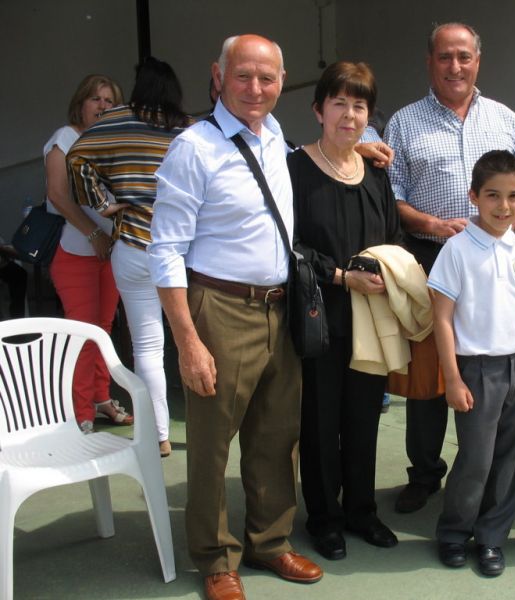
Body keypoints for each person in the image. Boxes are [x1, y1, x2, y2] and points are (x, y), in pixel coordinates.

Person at [148, 35, 323, 600]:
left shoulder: (275, 138)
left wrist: (365, 150)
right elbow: (165, 251)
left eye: (267, 78)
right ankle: (215, 557)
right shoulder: (193, 148)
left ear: (282, 80)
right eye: (243, 75)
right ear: (219, 76)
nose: (255, 88)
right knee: (211, 442)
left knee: (276, 435)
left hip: (279, 307)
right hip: (219, 308)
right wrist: (187, 341)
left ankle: (270, 541)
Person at [384, 21, 515, 514]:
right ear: (430, 62)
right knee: (430, 377)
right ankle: (425, 473)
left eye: (464, 56)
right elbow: (391, 197)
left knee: (490, 366)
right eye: (445, 57)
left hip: (497, 260)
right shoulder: (405, 122)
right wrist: (431, 222)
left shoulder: (506, 121)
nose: (455, 66)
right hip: (432, 257)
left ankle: (484, 474)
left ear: (477, 61)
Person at [289, 61, 402, 561]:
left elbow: (393, 235)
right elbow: (288, 245)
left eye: (360, 106)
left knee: (363, 418)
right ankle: (324, 518)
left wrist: (390, 275)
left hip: (371, 318)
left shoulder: (375, 173)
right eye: (339, 103)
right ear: (319, 110)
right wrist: (340, 276)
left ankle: (361, 510)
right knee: (319, 421)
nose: (349, 115)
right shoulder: (295, 170)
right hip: (320, 316)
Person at [430, 150, 515, 577]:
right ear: (473, 196)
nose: (504, 206)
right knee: (476, 458)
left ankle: (492, 537)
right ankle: (454, 532)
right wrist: (452, 377)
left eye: (514, 196)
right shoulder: (457, 250)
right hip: (477, 371)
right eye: (493, 195)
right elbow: (442, 318)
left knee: (508, 457)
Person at [67, 58, 191, 457]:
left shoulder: (115, 122)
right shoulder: (190, 130)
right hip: (182, 253)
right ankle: (206, 432)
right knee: (195, 342)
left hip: (134, 246)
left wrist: (103, 204)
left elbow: (76, 159)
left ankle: (159, 436)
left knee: (148, 348)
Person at [45, 74, 130, 433]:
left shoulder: (111, 142)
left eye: (110, 101)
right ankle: (79, 410)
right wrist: (94, 233)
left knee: (103, 330)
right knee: (83, 332)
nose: (103, 106)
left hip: (110, 253)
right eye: (96, 99)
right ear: (80, 103)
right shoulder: (65, 138)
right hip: (75, 253)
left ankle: (100, 398)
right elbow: (57, 194)